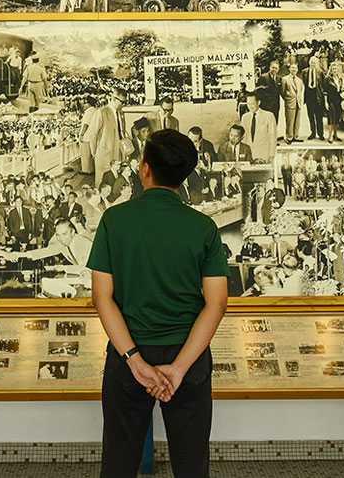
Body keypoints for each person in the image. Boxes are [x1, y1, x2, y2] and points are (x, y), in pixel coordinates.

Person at [87, 129, 228, 478]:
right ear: (184, 176)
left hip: (127, 355)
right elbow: (217, 304)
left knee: (119, 461)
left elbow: (101, 298)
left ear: (144, 168)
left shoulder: (114, 221)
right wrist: (178, 368)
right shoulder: (203, 227)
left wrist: (135, 361)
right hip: (189, 357)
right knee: (192, 463)